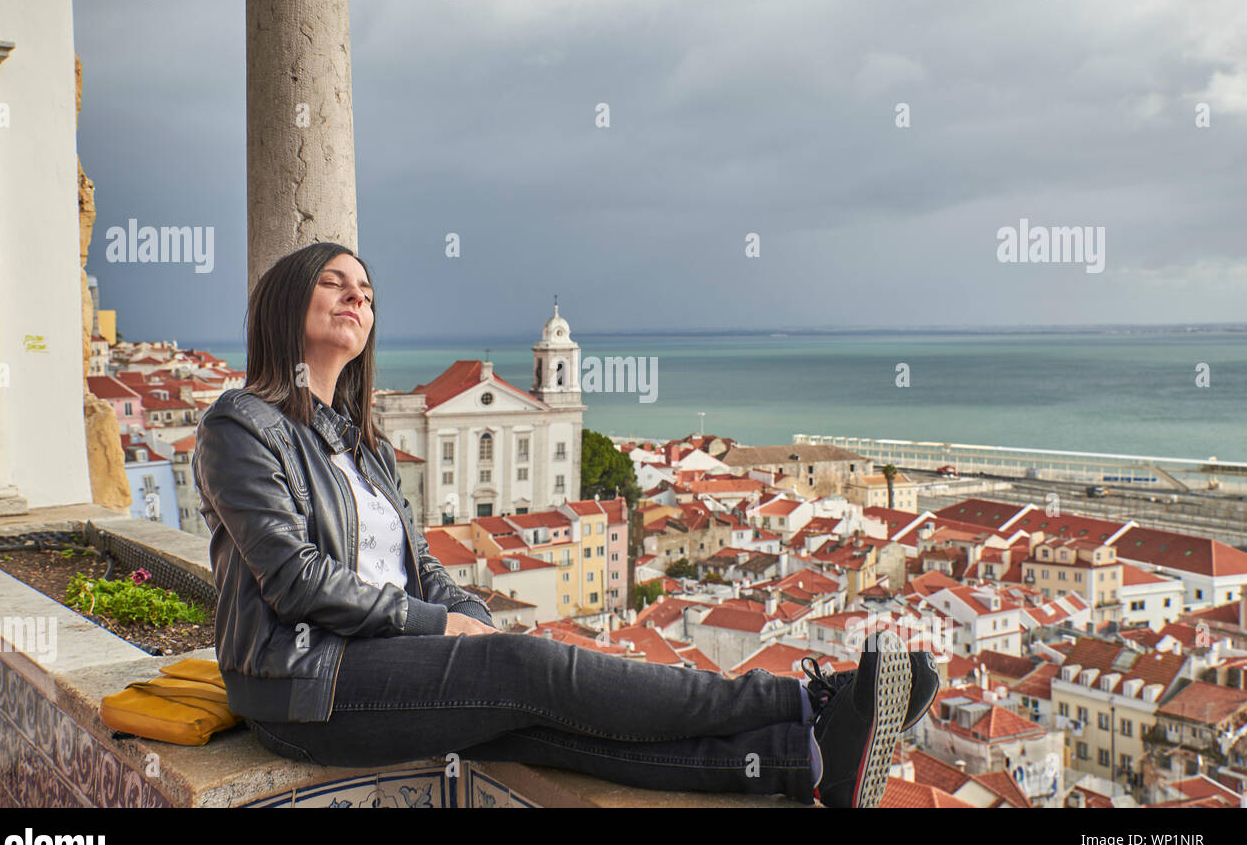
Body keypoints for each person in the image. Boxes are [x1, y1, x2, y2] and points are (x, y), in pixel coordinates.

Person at [193, 241, 939, 807]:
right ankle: (806, 700)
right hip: (304, 685)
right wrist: (445, 631)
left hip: (385, 668)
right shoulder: (243, 424)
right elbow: (293, 580)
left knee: (539, 724)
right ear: (287, 303)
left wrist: (472, 618)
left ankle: (803, 762)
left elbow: (426, 568)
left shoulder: (364, 443)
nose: (357, 298)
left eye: (367, 291)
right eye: (335, 283)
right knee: (527, 668)